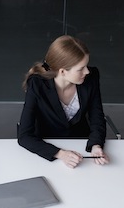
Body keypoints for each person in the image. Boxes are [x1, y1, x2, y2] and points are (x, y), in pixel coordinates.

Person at [18, 35, 109, 167]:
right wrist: (60, 154)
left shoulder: (91, 78)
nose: (87, 71)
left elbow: (97, 117)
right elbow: (24, 136)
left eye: (86, 65)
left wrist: (96, 145)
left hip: (80, 146)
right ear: (62, 71)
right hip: (47, 146)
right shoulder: (37, 85)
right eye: (80, 69)